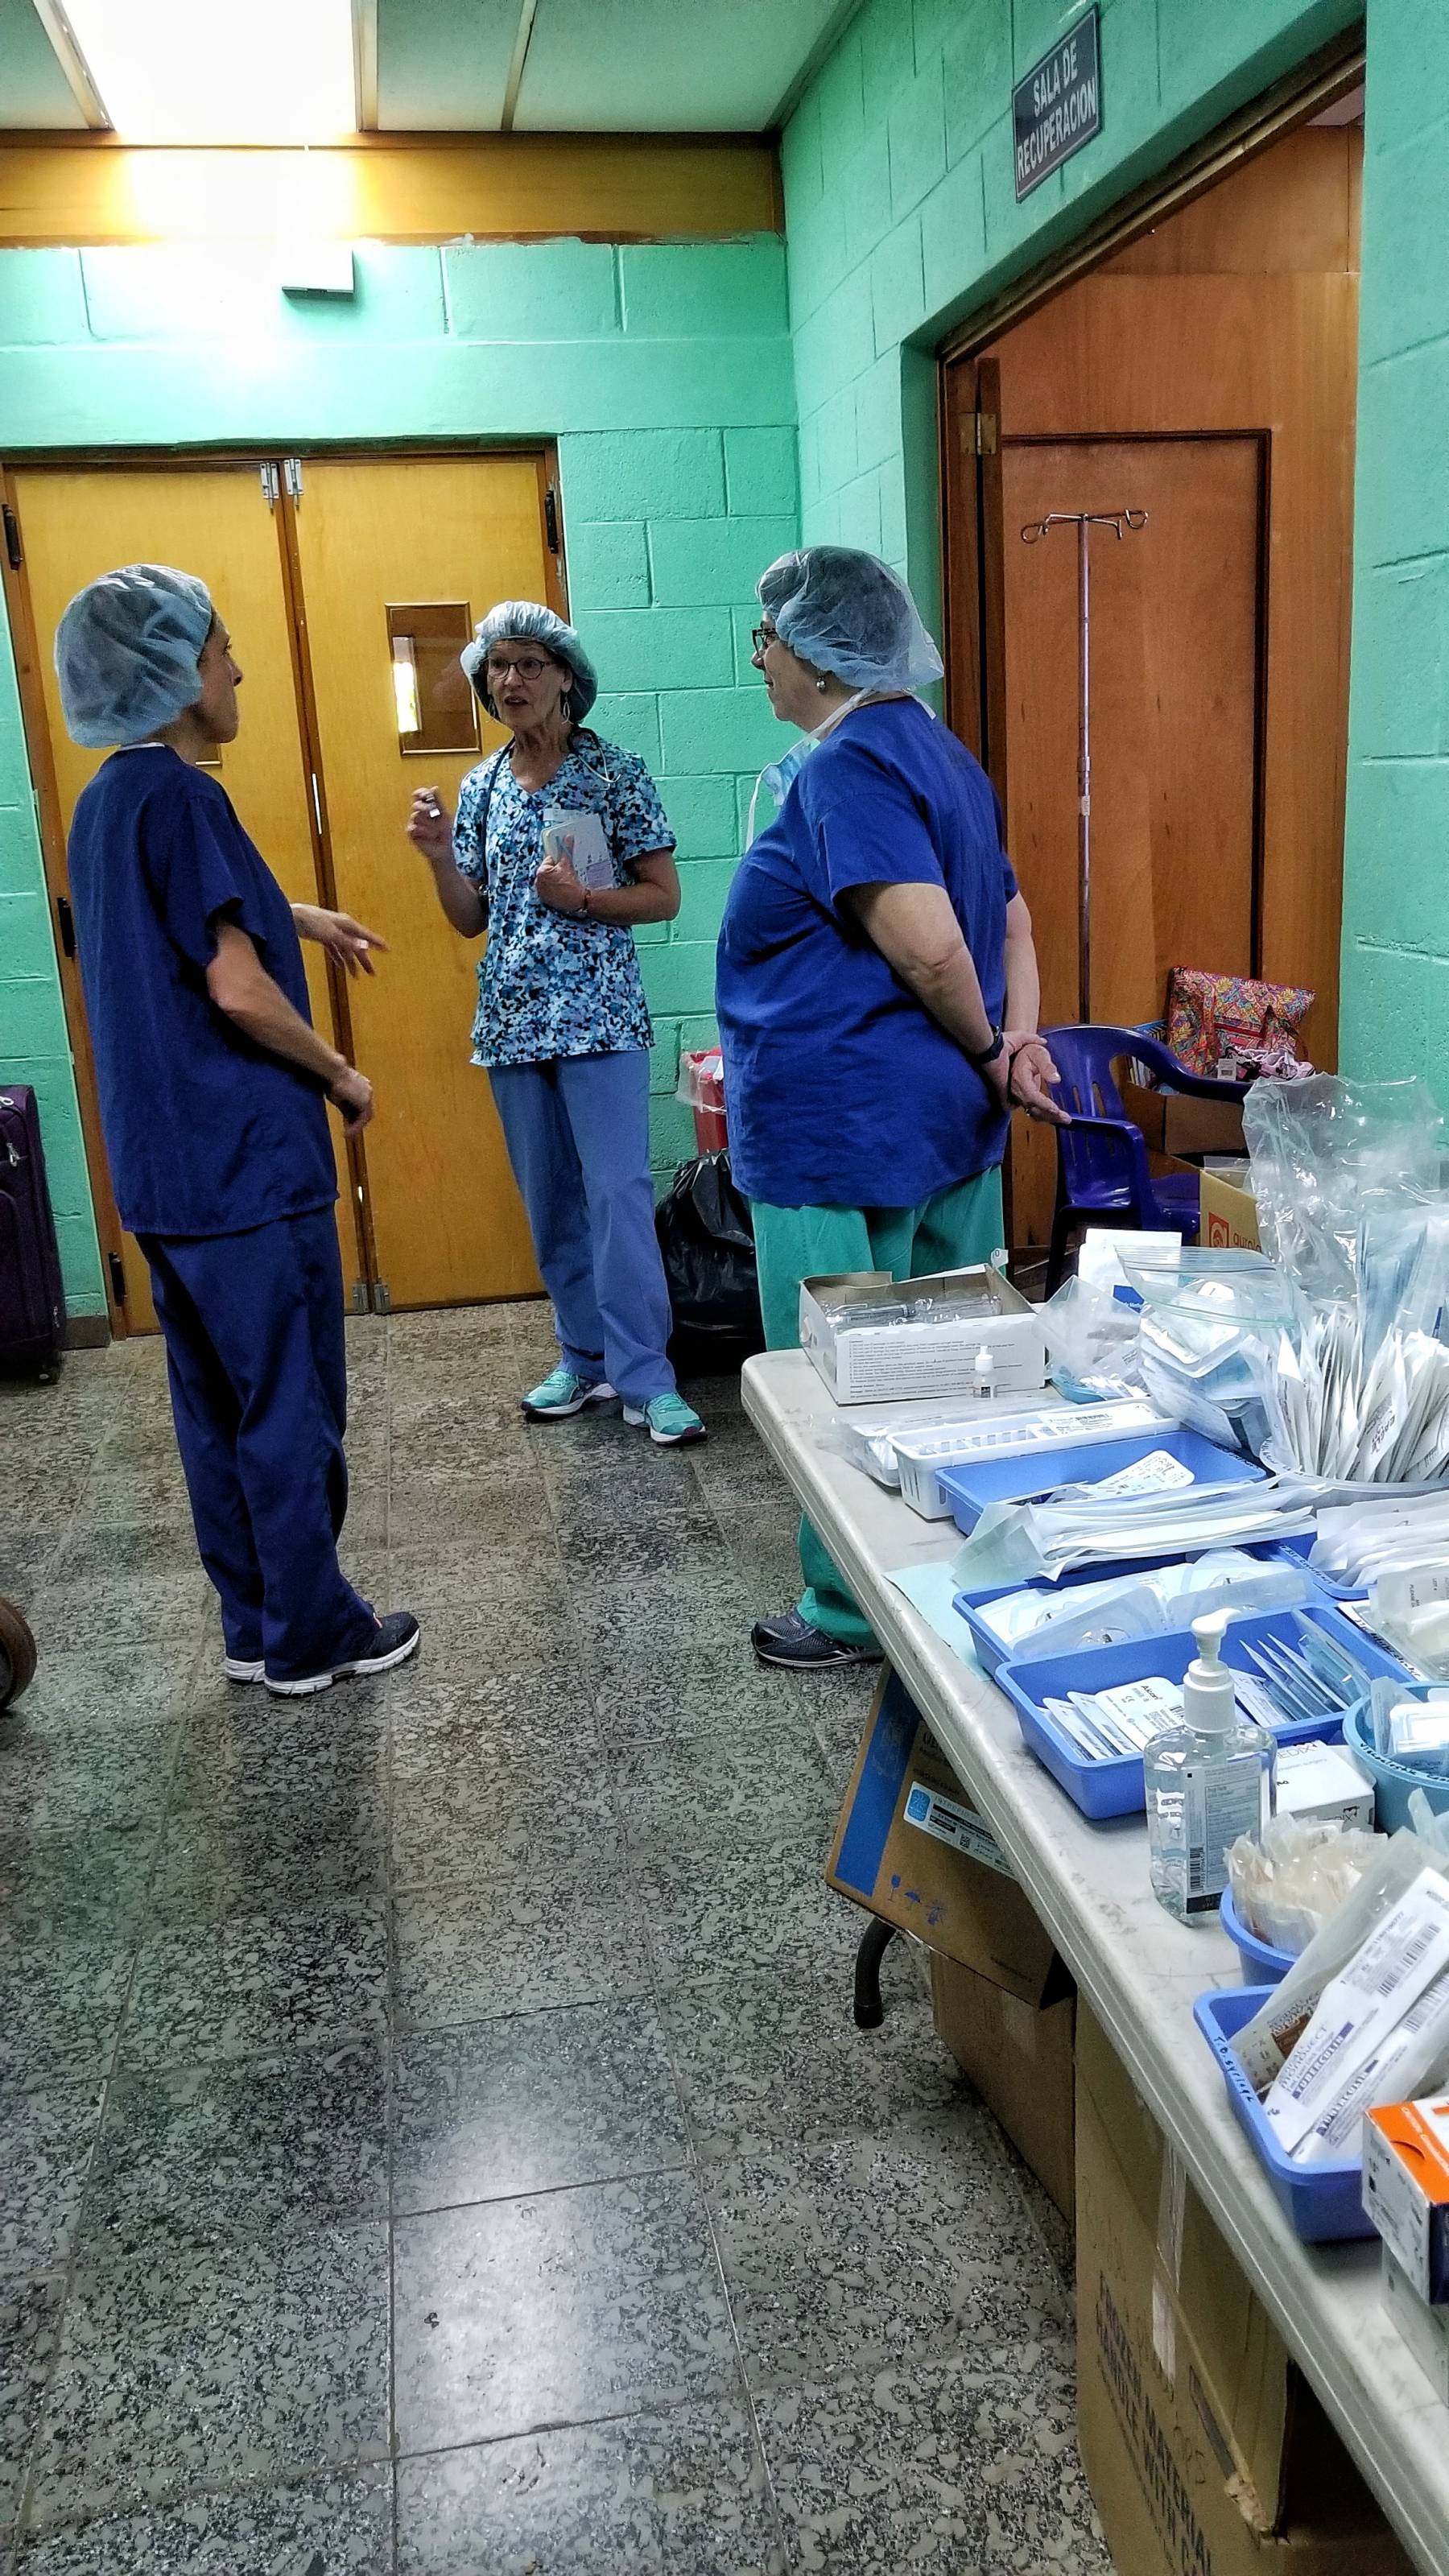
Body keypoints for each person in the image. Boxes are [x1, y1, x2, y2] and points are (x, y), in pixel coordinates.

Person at [56, 562, 419, 1697]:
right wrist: (340, 1074)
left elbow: (177, 927)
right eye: (222, 651)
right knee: (289, 1405)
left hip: (166, 1175)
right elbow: (235, 988)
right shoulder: (184, 798)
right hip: (246, 1168)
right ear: (172, 671)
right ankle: (315, 1633)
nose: (239, 669)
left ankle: (255, 1623)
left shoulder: (108, 801)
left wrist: (295, 915)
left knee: (214, 1406)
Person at [716, 545, 1065, 1672]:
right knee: (949, 1365)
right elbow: (1013, 920)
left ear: (822, 654)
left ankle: (852, 1608)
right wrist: (1012, 1045)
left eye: (769, 639)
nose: (761, 660)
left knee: (839, 1376)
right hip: (940, 1125)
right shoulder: (942, 754)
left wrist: (990, 1044)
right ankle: (938, 1566)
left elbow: (931, 948)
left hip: (842, 1135)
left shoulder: (849, 767)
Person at [406, 600, 705, 1447]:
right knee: (551, 1203)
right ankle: (584, 1357)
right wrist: (438, 858)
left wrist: (583, 899)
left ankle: (647, 1377)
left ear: (566, 676)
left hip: (599, 1019)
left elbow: (663, 896)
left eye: (529, 663)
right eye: (498, 666)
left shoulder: (612, 774)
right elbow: (470, 916)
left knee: (616, 1195)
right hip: (512, 1023)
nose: (511, 680)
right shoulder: (483, 787)